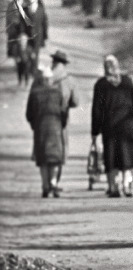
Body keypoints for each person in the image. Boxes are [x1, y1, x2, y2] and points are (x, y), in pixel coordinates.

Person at [91, 55, 133, 197]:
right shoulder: (127, 81)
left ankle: (114, 187)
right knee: (125, 157)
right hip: (127, 125)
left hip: (110, 126)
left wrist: (95, 131)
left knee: (111, 157)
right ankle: (127, 186)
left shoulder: (101, 84)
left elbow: (96, 110)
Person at [26, 65, 64, 198]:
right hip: (55, 129)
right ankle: (53, 182)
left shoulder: (35, 93)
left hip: (40, 130)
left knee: (43, 159)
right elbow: (63, 112)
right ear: (51, 79)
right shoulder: (58, 93)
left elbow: (29, 114)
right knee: (54, 158)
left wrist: (35, 125)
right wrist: (61, 125)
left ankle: (45, 185)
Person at [50, 50, 79, 191]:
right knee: (61, 149)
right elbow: (75, 102)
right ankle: (55, 181)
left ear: (54, 62)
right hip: (62, 119)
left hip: (45, 119)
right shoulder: (69, 79)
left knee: (46, 149)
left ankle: (48, 181)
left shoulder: (45, 77)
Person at [22, 0, 47, 70]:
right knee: (28, 53)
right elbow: (21, 22)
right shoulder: (24, 8)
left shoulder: (41, 7)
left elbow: (44, 22)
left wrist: (45, 35)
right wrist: (22, 33)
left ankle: (34, 70)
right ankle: (27, 69)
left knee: (36, 54)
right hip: (27, 35)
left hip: (38, 35)